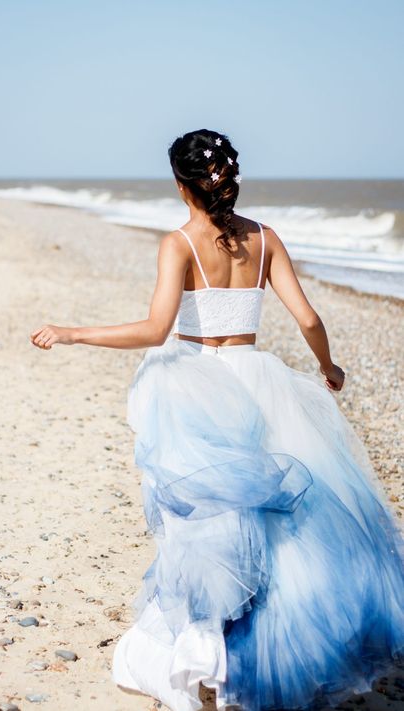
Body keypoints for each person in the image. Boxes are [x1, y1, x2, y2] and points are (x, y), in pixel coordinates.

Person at [30, 129, 404, 711]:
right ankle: (269, 657)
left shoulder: (179, 242)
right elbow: (307, 317)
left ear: (182, 186)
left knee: (208, 524)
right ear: (226, 179)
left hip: (199, 385)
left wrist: (74, 332)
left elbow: (155, 331)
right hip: (259, 380)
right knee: (282, 528)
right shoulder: (265, 238)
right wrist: (328, 368)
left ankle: (206, 659)